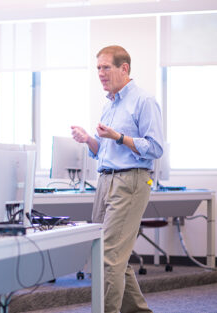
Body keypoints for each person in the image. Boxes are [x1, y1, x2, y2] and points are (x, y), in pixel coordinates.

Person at [71, 45, 164, 313]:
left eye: (106, 67)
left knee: (110, 257)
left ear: (124, 68)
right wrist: (89, 140)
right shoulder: (109, 105)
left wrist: (119, 137)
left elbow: (155, 148)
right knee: (106, 254)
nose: (100, 73)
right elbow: (104, 152)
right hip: (106, 181)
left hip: (131, 182)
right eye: (98, 68)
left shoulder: (143, 101)